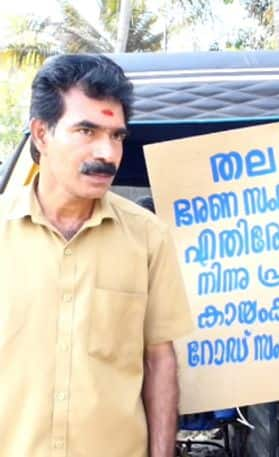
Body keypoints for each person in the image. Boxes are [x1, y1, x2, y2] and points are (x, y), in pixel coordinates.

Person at [0, 54, 194, 456]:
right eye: (87, 130)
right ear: (41, 134)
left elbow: (160, 361)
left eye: (117, 135)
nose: (107, 152)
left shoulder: (148, 237)